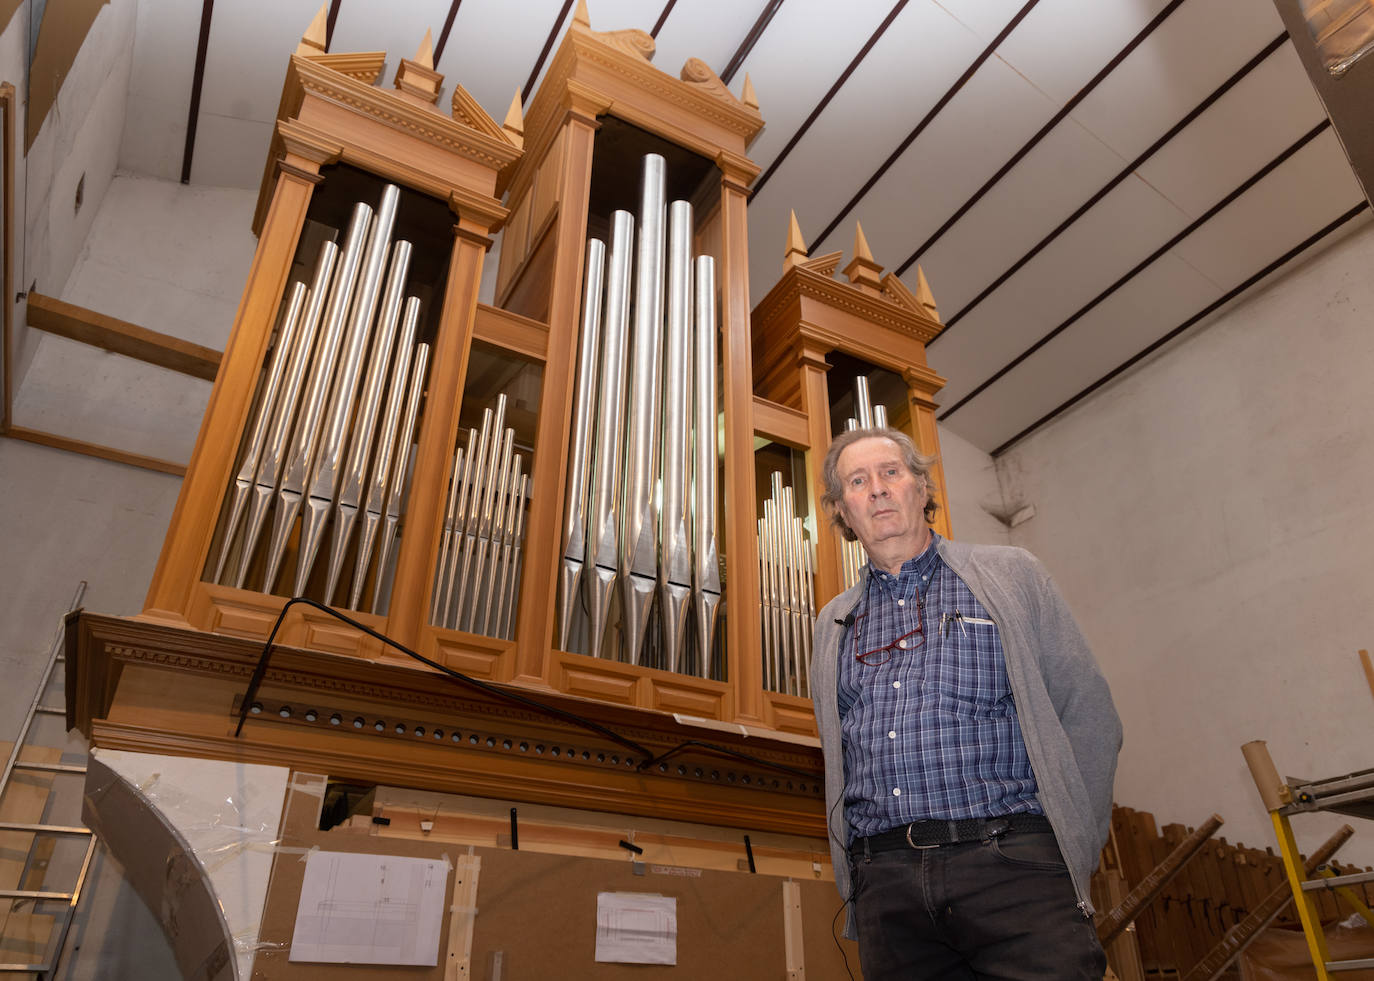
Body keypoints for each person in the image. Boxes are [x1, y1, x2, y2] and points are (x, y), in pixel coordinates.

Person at [811, 426, 1121, 980]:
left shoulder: (1010, 574)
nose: (878, 489)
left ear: (923, 488)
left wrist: (1073, 846)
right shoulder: (831, 623)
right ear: (842, 511)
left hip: (1014, 866)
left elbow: (1089, 713)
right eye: (858, 481)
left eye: (891, 472)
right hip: (887, 883)